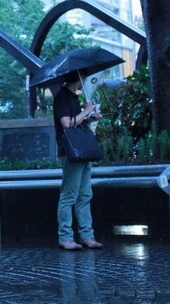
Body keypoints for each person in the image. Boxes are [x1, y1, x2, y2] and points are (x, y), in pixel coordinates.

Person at [53, 71, 103, 250]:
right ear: (78, 79)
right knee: (69, 195)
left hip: (82, 150)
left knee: (85, 194)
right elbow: (66, 124)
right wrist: (87, 110)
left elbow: (76, 122)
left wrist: (89, 117)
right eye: (84, 78)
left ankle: (87, 236)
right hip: (70, 152)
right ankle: (65, 237)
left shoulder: (74, 98)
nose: (85, 82)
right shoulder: (62, 98)